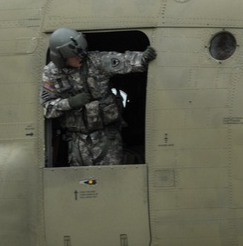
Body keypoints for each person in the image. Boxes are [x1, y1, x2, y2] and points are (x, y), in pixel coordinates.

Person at [40, 27, 156, 166]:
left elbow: (123, 61)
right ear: (62, 57)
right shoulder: (51, 73)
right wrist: (70, 103)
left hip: (106, 135)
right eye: (75, 55)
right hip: (78, 141)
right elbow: (47, 108)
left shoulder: (95, 61)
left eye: (82, 52)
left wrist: (143, 58)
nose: (81, 57)